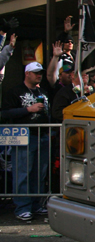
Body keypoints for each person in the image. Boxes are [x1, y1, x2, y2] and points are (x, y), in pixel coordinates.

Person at [2, 63, 51, 221]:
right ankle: (22, 207)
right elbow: (4, 113)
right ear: (27, 73)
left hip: (42, 135)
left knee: (39, 173)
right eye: (36, 73)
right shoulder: (15, 92)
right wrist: (28, 110)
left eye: (41, 73)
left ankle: (36, 204)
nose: (39, 75)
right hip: (24, 136)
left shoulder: (42, 91)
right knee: (22, 172)